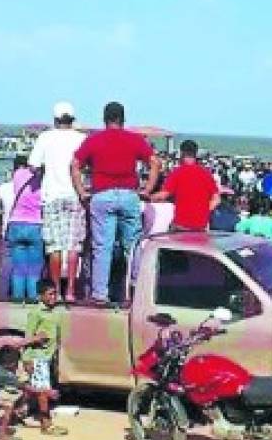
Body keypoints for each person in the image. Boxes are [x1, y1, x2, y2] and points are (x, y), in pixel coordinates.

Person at [72, 101, 160, 305]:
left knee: (102, 247)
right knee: (133, 245)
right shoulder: (134, 139)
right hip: (129, 194)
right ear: (123, 119)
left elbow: (75, 164)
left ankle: (100, 294)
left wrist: (81, 191)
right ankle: (136, 290)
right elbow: (155, 163)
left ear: (104, 119)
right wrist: (147, 189)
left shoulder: (94, 140)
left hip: (102, 195)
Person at [28, 102, 87, 302]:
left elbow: (33, 166)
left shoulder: (46, 137)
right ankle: (70, 290)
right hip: (74, 195)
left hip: (52, 195)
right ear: (73, 119)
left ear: (55, 119)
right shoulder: (81, 138)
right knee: (73, 246)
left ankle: (56, 292)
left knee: (54, 247)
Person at [22, 279, 67, 436]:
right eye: (50, 294)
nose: (53, 296)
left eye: (55, 293)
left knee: (33, 390)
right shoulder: (36, 313)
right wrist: (27, 359)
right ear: (40, 296)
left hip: (47, 357)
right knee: (42, 391)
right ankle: (46, 424)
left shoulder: (53, 311)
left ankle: (16, 411)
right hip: (37, 357)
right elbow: (28, 337)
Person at [151, 139, 219, 232]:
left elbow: (164, 194)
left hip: (181, 225)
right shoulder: (206, 174)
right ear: (196, 153)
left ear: (182, 153)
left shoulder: (177, 172)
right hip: (201, 226)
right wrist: (205, 210)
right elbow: (216, 199)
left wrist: (149, 197)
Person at [5, 155, 44, 301]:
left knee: (18, 268)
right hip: (35, 224)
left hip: (16, 223)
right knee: (34, 269)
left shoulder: (18, 174)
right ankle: (33, 300)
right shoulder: (43, 179)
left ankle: (17, 300)